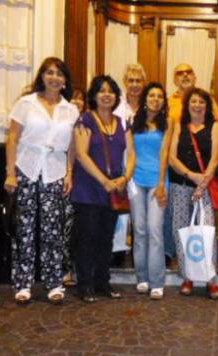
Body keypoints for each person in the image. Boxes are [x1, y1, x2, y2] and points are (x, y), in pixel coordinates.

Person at [4, 57, 79, 305]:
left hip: (54, 173)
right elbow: (13, 138)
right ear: (42, 76)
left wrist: (69, 173)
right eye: (49, 73)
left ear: (65, 79)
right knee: (24, 229)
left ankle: (53, 282)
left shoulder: (70, 109)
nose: (54, 77)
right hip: (27, 169)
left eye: (59, 73)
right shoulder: (25, 103)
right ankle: (23, 283)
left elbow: (71, 146)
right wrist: (11, 173)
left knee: (52, 230)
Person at [71, 75, 135, 303]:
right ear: (94, 96)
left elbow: (131, 155)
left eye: (110, 91)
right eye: (101, 91)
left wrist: (125, 177)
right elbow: (81, 155)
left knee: (105, 239)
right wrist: (104, 181)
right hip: (88, 189)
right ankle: (84, 285)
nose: (106, 94)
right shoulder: (85, 121)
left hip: (113, 191)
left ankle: (102, 283)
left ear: (117, 96)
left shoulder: (122, 123)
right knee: (86, 238)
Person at [168, 87, 218, 299]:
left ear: (207, 105)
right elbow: (172, 158)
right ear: (187, 105)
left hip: (205, 186)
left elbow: (215, 158)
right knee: (181, 231)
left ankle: (211, 279)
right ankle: (187, 276)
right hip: (181, 184)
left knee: (207, 231)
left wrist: (203, 182)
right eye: (193, 102)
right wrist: (192, 176)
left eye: (201, 102)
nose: (197, 105)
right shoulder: (179, 126)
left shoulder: (215, 126)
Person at [129, 82, 172, 300]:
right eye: (152, 95)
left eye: (160, 96)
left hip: (158, 181)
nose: (155, 99)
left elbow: (164, 153)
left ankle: (157, 281)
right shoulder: (133, 122)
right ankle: (142, 278)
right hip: (136, 181)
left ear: (164, 101)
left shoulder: (167, 123)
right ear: (145, 98)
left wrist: (162, 183)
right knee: (140, 230)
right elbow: (130, 153)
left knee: (155, 230)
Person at [111, 64, 147, 267]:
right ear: (125, 82)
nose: (134, 85)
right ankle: (117, 253)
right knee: (121, 211)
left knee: (140, 214)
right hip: (121, 162)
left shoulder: (149, 105)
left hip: (144, 166)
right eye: (131, 80)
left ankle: (138, 256)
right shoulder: (117, 105)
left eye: (138, 80)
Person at [62, 87, 87, 288]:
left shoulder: (86, 121)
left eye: (80, 99)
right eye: (73, 98)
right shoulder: (62, 121)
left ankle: (77, 267)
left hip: (84, 180)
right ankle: (65, 269)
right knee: (65, 224)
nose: (77, 102)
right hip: (61, 176)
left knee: (78, 226)